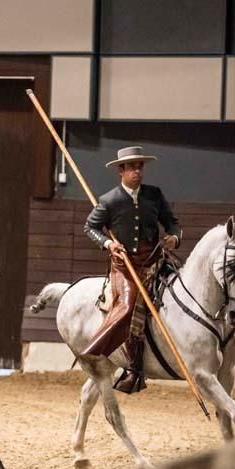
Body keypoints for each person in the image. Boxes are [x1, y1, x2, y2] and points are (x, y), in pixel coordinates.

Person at [82, 146, 182, 394]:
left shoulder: (154, 195)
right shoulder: (109, 201)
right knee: (128, 307)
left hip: (155, 260)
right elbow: (90, 228)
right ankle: (133, 367)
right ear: (121, 170)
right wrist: (108, 243)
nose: (137, 171)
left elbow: (173, 223)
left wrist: (174, 239)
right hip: (125, 266)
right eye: (132, 167)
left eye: (140, 166)